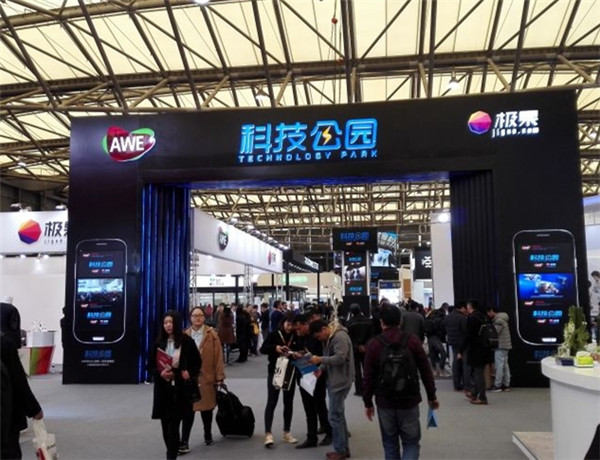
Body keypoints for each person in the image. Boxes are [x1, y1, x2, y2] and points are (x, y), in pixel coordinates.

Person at [362, 304, 439, 460]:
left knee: (390, 444)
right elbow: (426, 371)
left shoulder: (374, 344)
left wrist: (368, 402)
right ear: (400, 321)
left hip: (385, 401)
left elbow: (368, 376)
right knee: (411, 443)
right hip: (409, 400)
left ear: (381, 322)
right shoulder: (412, 341)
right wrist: (432, 396)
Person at [150, 310, 201, 460]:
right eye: (165, 322)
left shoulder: (187, 341)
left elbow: (197, 363)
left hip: (180, 390)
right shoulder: (159, 342)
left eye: (171, 322)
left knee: (173, 425)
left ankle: (171, 456)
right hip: (163, 389)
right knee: (165, 426)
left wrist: (188, 373)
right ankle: (171, 451)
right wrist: (160, 373)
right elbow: (150, 365)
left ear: (176, 324)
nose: (168, 325)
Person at [180, 306, 225, 454]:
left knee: (207, 408)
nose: (198, 318)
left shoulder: (212, 334)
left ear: (204, 317)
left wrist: (219, 377)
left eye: (200, 315)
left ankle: (208, 433)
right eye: (195, 315)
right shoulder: (184, 335)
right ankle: (184, 441)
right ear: (190, 318)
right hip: (189, 379)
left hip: (207, 377)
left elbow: (218, 357)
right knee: (188, 411)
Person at [308, 319, 355, 460]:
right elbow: (329, 357)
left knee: (334, 416)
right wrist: (321, 369)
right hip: (335, 379)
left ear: (324, 329)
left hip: (341, 380)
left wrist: (320, 360)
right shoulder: (329, 337)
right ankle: (343, 449)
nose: (319, 339)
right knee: (338, 415)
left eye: (319, 336)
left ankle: (340, 450)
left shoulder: (339, 337)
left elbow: (340, 358)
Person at [292, 312, 332, 449]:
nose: (298, 332)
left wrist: (313, 358)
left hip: (317, 375)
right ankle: (311, 437)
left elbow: (324, 355)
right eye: (296, 329)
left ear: (305, 325)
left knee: (320, 405)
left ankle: (329, 431)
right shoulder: (299, 338)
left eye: (299, 328)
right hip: (304, 374)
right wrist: (296, 354)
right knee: (309, 408)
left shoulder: (316, 337)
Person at [260, 312, 300, 448]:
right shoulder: (274, 334)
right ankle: (268, 434)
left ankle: (287, 432)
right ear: (283, 322)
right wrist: (275, 348)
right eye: (288, 324)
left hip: (290, 372)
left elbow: (301, 350)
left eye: (292, 325)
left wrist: (295, 353)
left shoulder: (296, 336)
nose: (290, 327)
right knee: (272, 401)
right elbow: (263, 349)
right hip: (275, 371)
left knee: (288, 402)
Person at [1, 333, 44, 459]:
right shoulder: (4, 344)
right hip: (6, 413)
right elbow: (17, 380)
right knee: (8, 450)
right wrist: (33, 409)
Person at [458, 300, 493, 405]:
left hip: (476, 348)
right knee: (478, 372)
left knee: (478, 373)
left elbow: (468, 335)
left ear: (470, 306)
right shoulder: (483, 316)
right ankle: (474, 393)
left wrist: (461, 350)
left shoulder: (472, 318)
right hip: (485, 347)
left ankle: (482, 397)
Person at [346, 303, 372, 396]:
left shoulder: (349, 323)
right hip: (367, 349)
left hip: (355, 349)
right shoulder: (368, 321)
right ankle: (369, 388)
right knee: (367, 369)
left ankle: (359, 390)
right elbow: (372, 335)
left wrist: (357, 346)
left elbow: (349, 338)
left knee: (356, 370)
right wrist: (366, 345)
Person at [445, 302, 471, 392]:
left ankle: (456, 384)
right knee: (465, 364)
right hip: (463, 344)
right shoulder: (462, 318)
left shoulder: (448, 317)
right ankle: (467, 385)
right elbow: (466, 332)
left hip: (453, 342)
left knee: (455, 363)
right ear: (462, 307)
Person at [486, 306, 512, 392]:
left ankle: (498, 385)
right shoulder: (503, 318)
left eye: (488, 312)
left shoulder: (498, 320)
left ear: (491, 311)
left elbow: (494, 333)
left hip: (501, 346)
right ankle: (506, 384)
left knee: (499, 366)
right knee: (505, 365)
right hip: (505, 345)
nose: (488, 314)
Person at [425, 307, 448, 377]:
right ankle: (441, 369)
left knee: (433, 355)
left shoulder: (428, 320)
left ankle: (434, 370)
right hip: (436, 338)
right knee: (443, 353)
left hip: (430, 338)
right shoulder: (439, 320)